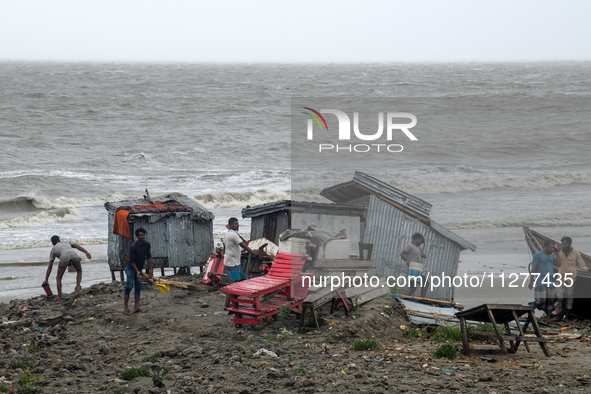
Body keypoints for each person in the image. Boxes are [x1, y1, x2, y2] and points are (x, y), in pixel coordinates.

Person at [223, 217, 260, 313]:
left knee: (240, 281)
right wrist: (254, 253)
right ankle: (228, 304)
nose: (237, 225)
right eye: (235, 224)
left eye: (238, 223)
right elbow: (243, 245)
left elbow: (225, 247)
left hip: (234, 262)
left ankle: (231, 302)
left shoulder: (228, 234)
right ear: (230, 225)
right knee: (232, 284)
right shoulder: (233, 235)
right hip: (232, 263)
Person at [44, 235, 91, 303]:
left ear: (52, 243)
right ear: (59, 240)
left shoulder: (53, 249)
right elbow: (77, 246)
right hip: (74, 254)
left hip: (64, 257)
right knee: (79, 271)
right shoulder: (66, 242)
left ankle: (60, 299)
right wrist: (86, 252)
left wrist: (46, 279)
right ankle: (77, 287)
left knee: (58, 278)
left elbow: (50, 266)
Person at [553, 237, 589, 321]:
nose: (563, 246)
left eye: (565, 244)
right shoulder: (560, 252)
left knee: (569, 298)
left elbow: (582, 266)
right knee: (559, 297)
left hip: (570, 278)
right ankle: (558, 315)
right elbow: (555, 262)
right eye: (562, 244)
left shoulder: (576, 253)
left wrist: (588, 270)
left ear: (570, 244)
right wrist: (556, 253)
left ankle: (566, 315)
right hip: (561, 278)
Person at [123, 227, 153, 316]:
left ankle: (136, 307)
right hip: (131, 268)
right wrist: (137, 271)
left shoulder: (147, 245)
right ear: (137, 236)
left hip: (139, 268)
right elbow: (131, 261)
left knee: (138, 287)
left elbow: (149, 257)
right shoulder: (133, 247)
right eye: (141, 235)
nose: (143, 236)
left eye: (144, 235)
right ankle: (126, 308)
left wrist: (151, 269)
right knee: (128, 286)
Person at [528, 240, 557, 324]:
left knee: (551, 300)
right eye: (551, 247)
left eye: (553, 247)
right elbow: (533, 268)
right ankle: (531, 305)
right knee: (541, 300)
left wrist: (557, 253)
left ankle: (548, 319)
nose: (552, 249)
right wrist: (531, 281)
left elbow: (558, 264)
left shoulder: (551, 256)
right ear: (546, 246)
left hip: (551, 281)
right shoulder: (538, 255)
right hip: (541, 281)